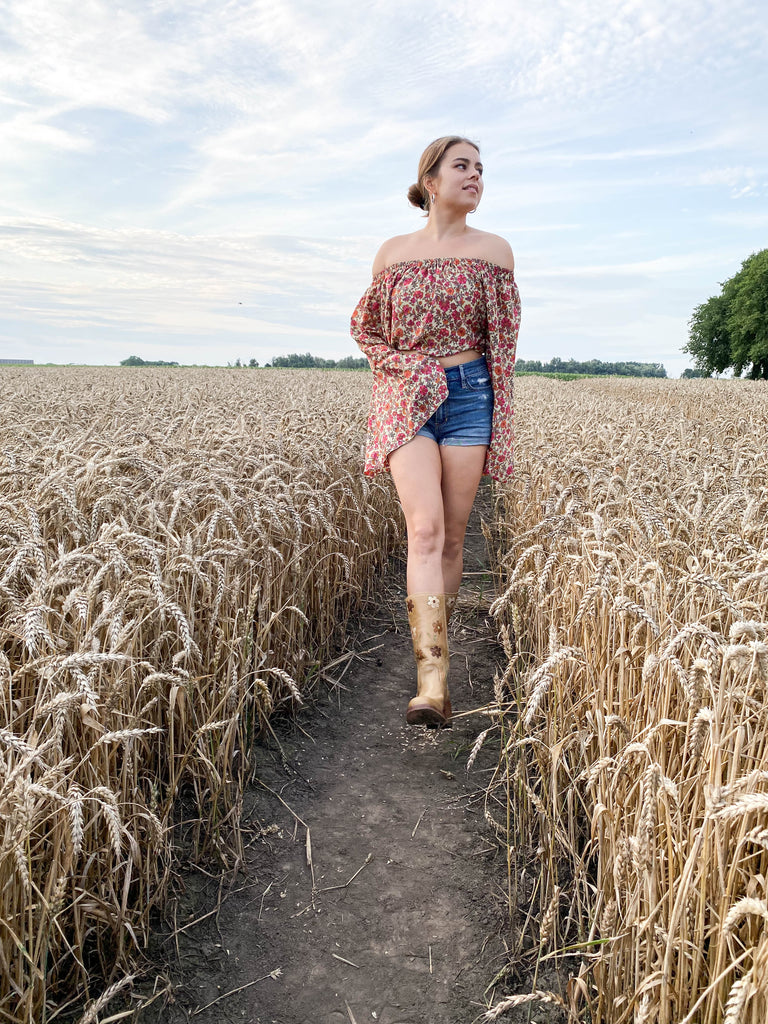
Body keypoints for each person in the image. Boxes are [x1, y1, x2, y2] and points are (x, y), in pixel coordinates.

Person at [350, 135, 520, 728]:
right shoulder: (391, 254)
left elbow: (503, 349)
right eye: (462, 166)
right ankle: (432, 679)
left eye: (481, 168)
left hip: (471, 395)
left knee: (451, 537)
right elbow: (365, 331)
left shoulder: (495, 252)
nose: (475, 175)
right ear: (430, 180)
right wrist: (407, 370)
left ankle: (436, 673)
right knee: (422, 530)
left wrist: (503, 421)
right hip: (406, 398)